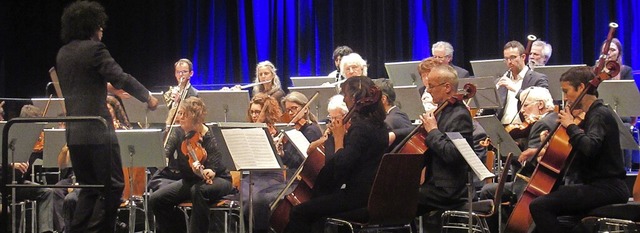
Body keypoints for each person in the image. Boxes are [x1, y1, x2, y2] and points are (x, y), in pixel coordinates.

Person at [55, 2, 159, 232]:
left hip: (74, 134)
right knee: (112, 187)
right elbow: (121, 77)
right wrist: (148, 98)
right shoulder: (95, 50)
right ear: (92, 26)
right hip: (98, 131)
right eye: (100, 27)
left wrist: (106, 88)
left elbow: (84, 83)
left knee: (90, 189)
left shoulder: (63, 54)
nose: (102, 31)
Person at [529, 66, 629, 232]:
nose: (565, 97)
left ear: (581, 87)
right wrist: (542, 150)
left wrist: (570, 126)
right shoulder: (590, 116)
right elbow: (579, 154)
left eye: (566, 91)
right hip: (595, 187)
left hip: (607, 188)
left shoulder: (599, 114)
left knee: (539, 206)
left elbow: (589, 147)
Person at [284, 76, 388, 233]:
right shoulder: (381, 126)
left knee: (300, 212)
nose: (344, 99)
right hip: (374, 196)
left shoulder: (360, 129)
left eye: (345, 95)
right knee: (316, 207)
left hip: (357, 199)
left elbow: (340, 170)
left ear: (354, 98)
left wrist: (338, 138)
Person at [149, 97, 233, 233]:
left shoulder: (211, 136)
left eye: (184, 115)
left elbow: (213, 168)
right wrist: (160, 158)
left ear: (195, 118)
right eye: (180, 114)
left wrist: (204, 172)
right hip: (191, 181)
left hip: (219, 179)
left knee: (198, 190)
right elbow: (166, 151)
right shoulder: (178, 132)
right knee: (157, 199)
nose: (180, 118)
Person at [412, 65, 474, 231]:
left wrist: (432, 131)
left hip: (448, 190)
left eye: (432, 86)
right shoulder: (442, 111)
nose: (428, 90)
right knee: (398, 197)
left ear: (447, 87)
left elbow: (452, 154)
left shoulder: (459, 115)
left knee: (401, 201)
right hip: (434, 185)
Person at [495, 40, 549, 124]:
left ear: (523, 57)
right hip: (502, 129)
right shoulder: (501, 81)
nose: (509, 62)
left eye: (513, 57)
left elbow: (541, 104)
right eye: (506, 59)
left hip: (525, 129)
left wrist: (514, 88)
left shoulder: (538, 79)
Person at [164, 58, 199, 126]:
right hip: (169, 128)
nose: (180, 74)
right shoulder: (171, 92)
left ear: (191, 73)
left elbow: (193, 117)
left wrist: (180, 102)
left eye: (184, 72)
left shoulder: (195, 94)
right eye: (178, 72)